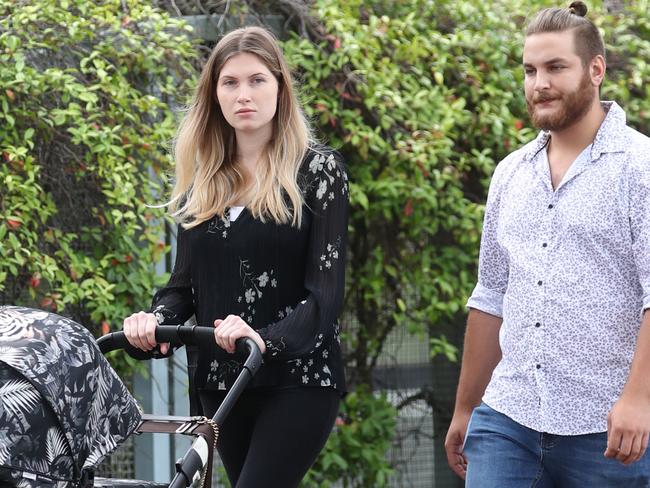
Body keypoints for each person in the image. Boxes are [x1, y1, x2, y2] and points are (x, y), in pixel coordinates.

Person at [122, 26, 348, 488]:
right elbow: (184, 288)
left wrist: (262, 339)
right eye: (230, 82)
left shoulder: (319, 172)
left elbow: (324, 299)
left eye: (257, 80)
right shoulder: (203, 178)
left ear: (281, 88)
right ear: (215, 94)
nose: (244, 94)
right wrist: (154, 320)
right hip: (220, 384)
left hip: (297, 378)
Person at [444, 2, 650, 486]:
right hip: (506, 418)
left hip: (608, 429)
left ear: (595, 70)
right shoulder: (511, 172)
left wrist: (640, 398)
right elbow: (490, 295)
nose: (540, 83)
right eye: (531, 69)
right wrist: (467, 408)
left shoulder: (639, 168)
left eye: (556, 67)